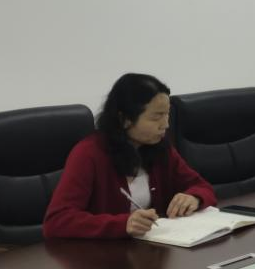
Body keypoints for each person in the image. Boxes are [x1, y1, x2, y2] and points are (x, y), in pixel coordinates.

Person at [43, 73, 216, 240]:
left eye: (167, 114)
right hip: (101, 255)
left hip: (152, 250)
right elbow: (57, 220)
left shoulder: (160, 148)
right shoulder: (88, 154)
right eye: (156, 117)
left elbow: (202, 187)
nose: (166, 125)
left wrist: (194, 197)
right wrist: (122, 224)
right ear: (125, 119)